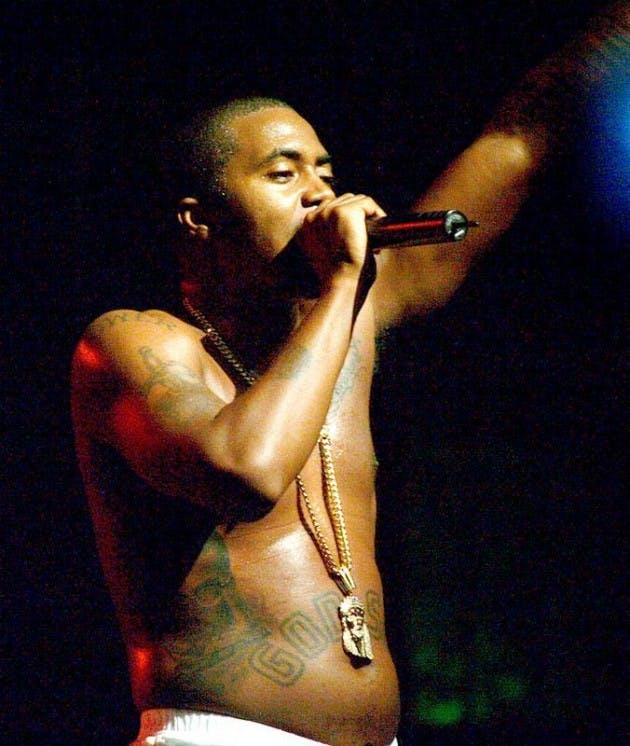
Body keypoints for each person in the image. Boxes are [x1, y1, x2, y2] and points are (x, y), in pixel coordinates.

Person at [71, 5, 627, 745]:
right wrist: (341, 285)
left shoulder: (347, 324)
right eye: (283, 173)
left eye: (326, 173)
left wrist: (606, 43)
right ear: (197, 219)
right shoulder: (132, 342)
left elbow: (516, 142)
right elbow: (246, 470)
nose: (320, 194)